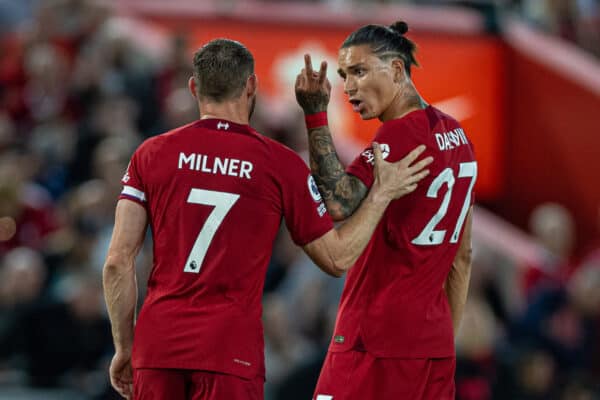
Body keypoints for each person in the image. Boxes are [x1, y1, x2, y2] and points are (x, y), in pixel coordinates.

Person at [102, 38, 433, 400]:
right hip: (229, 350)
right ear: (251, 86)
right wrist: (382, 193)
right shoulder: (280, 164)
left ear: (194, 87)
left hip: (159, 346)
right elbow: (337, 259)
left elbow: (118, 262)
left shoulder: (151, 154)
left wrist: (124, 345)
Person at [294, 21, 477, 400]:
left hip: (374, 341)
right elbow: (463, 257)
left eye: (359, 71)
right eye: (344, 75)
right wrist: (439, 340)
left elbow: (339, 201)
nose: (348, 87)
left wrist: (314, 115)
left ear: (396, 70)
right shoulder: (460, 138)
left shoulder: (399, 134)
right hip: (433, 349)